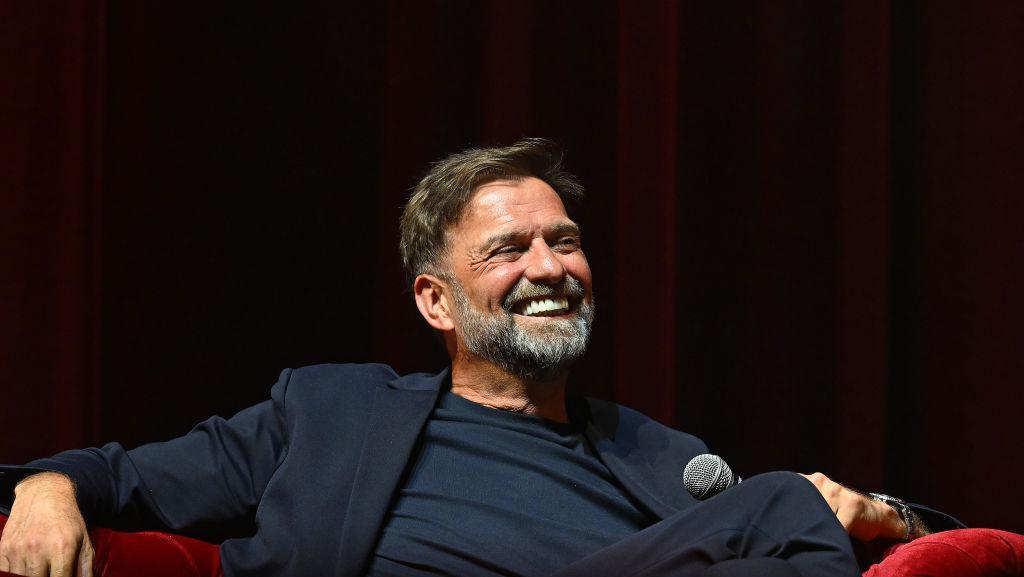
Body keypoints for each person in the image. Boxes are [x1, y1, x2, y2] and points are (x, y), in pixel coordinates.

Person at [0, 139, 961, 577]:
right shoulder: (325, 413)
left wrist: (893, 513)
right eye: (509, 249)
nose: (550, 267)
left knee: (781, 506)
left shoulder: (661, 455)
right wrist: (46, 490)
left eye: (565, 241)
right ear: (436, 300)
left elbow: (818, 537)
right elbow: (120, 475)